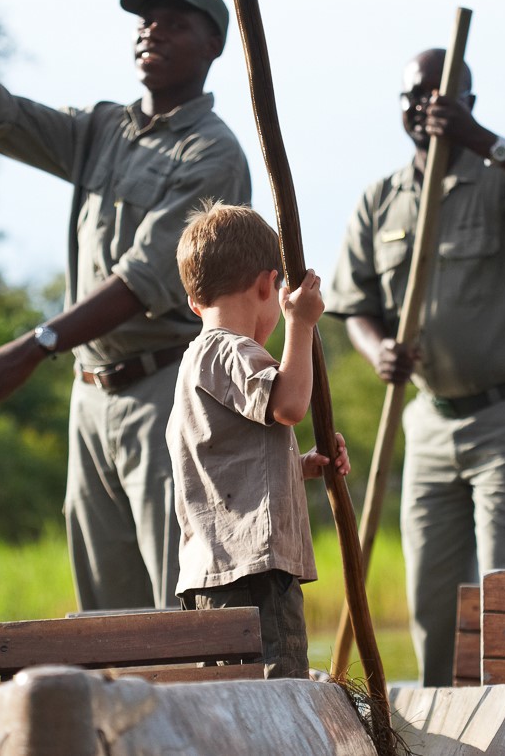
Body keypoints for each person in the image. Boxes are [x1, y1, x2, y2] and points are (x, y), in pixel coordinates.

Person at [0, 0, 251, 611]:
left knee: (182, 603)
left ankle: (197, 711)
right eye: (146, 22)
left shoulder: (212, 152)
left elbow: (142, 280)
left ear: (213, 45)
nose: (153, 32)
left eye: (174, 24)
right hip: (91, 395)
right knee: (108, 611)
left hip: (164, 391)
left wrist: (36, 344)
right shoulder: (101, 129)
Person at [326, 47, 505, 686]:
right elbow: (355, 305)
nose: (425, 105)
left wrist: (480, 141)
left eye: (442, 94)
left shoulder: (502, 181)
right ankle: (438, 725)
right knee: (431, 597)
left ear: (468, 103)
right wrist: (376, 348)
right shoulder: (380, 198)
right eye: (413, 94)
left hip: (504, 421)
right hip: (428, 422)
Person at [167, 201, 349, 678]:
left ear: (193, 300)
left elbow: (234, 458)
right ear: (269, 285)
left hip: (217, 572)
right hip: (253, 575)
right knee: (276, 700)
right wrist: (301, 324)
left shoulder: (197, 360)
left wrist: (303, 463)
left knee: (231, 703)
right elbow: (289, 405)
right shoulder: (231, 350)